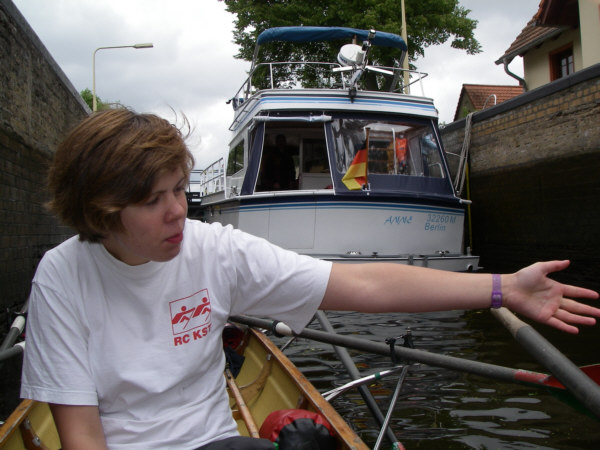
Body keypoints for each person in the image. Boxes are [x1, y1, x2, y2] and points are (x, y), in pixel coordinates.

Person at [20, 109, 600, 450]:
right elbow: (81, 431)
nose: (180, 211)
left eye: (180, 188)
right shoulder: (63, 276)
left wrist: (504, 288)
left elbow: (366, 286)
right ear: (101, 212)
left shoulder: (214, 251)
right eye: (154, 200)